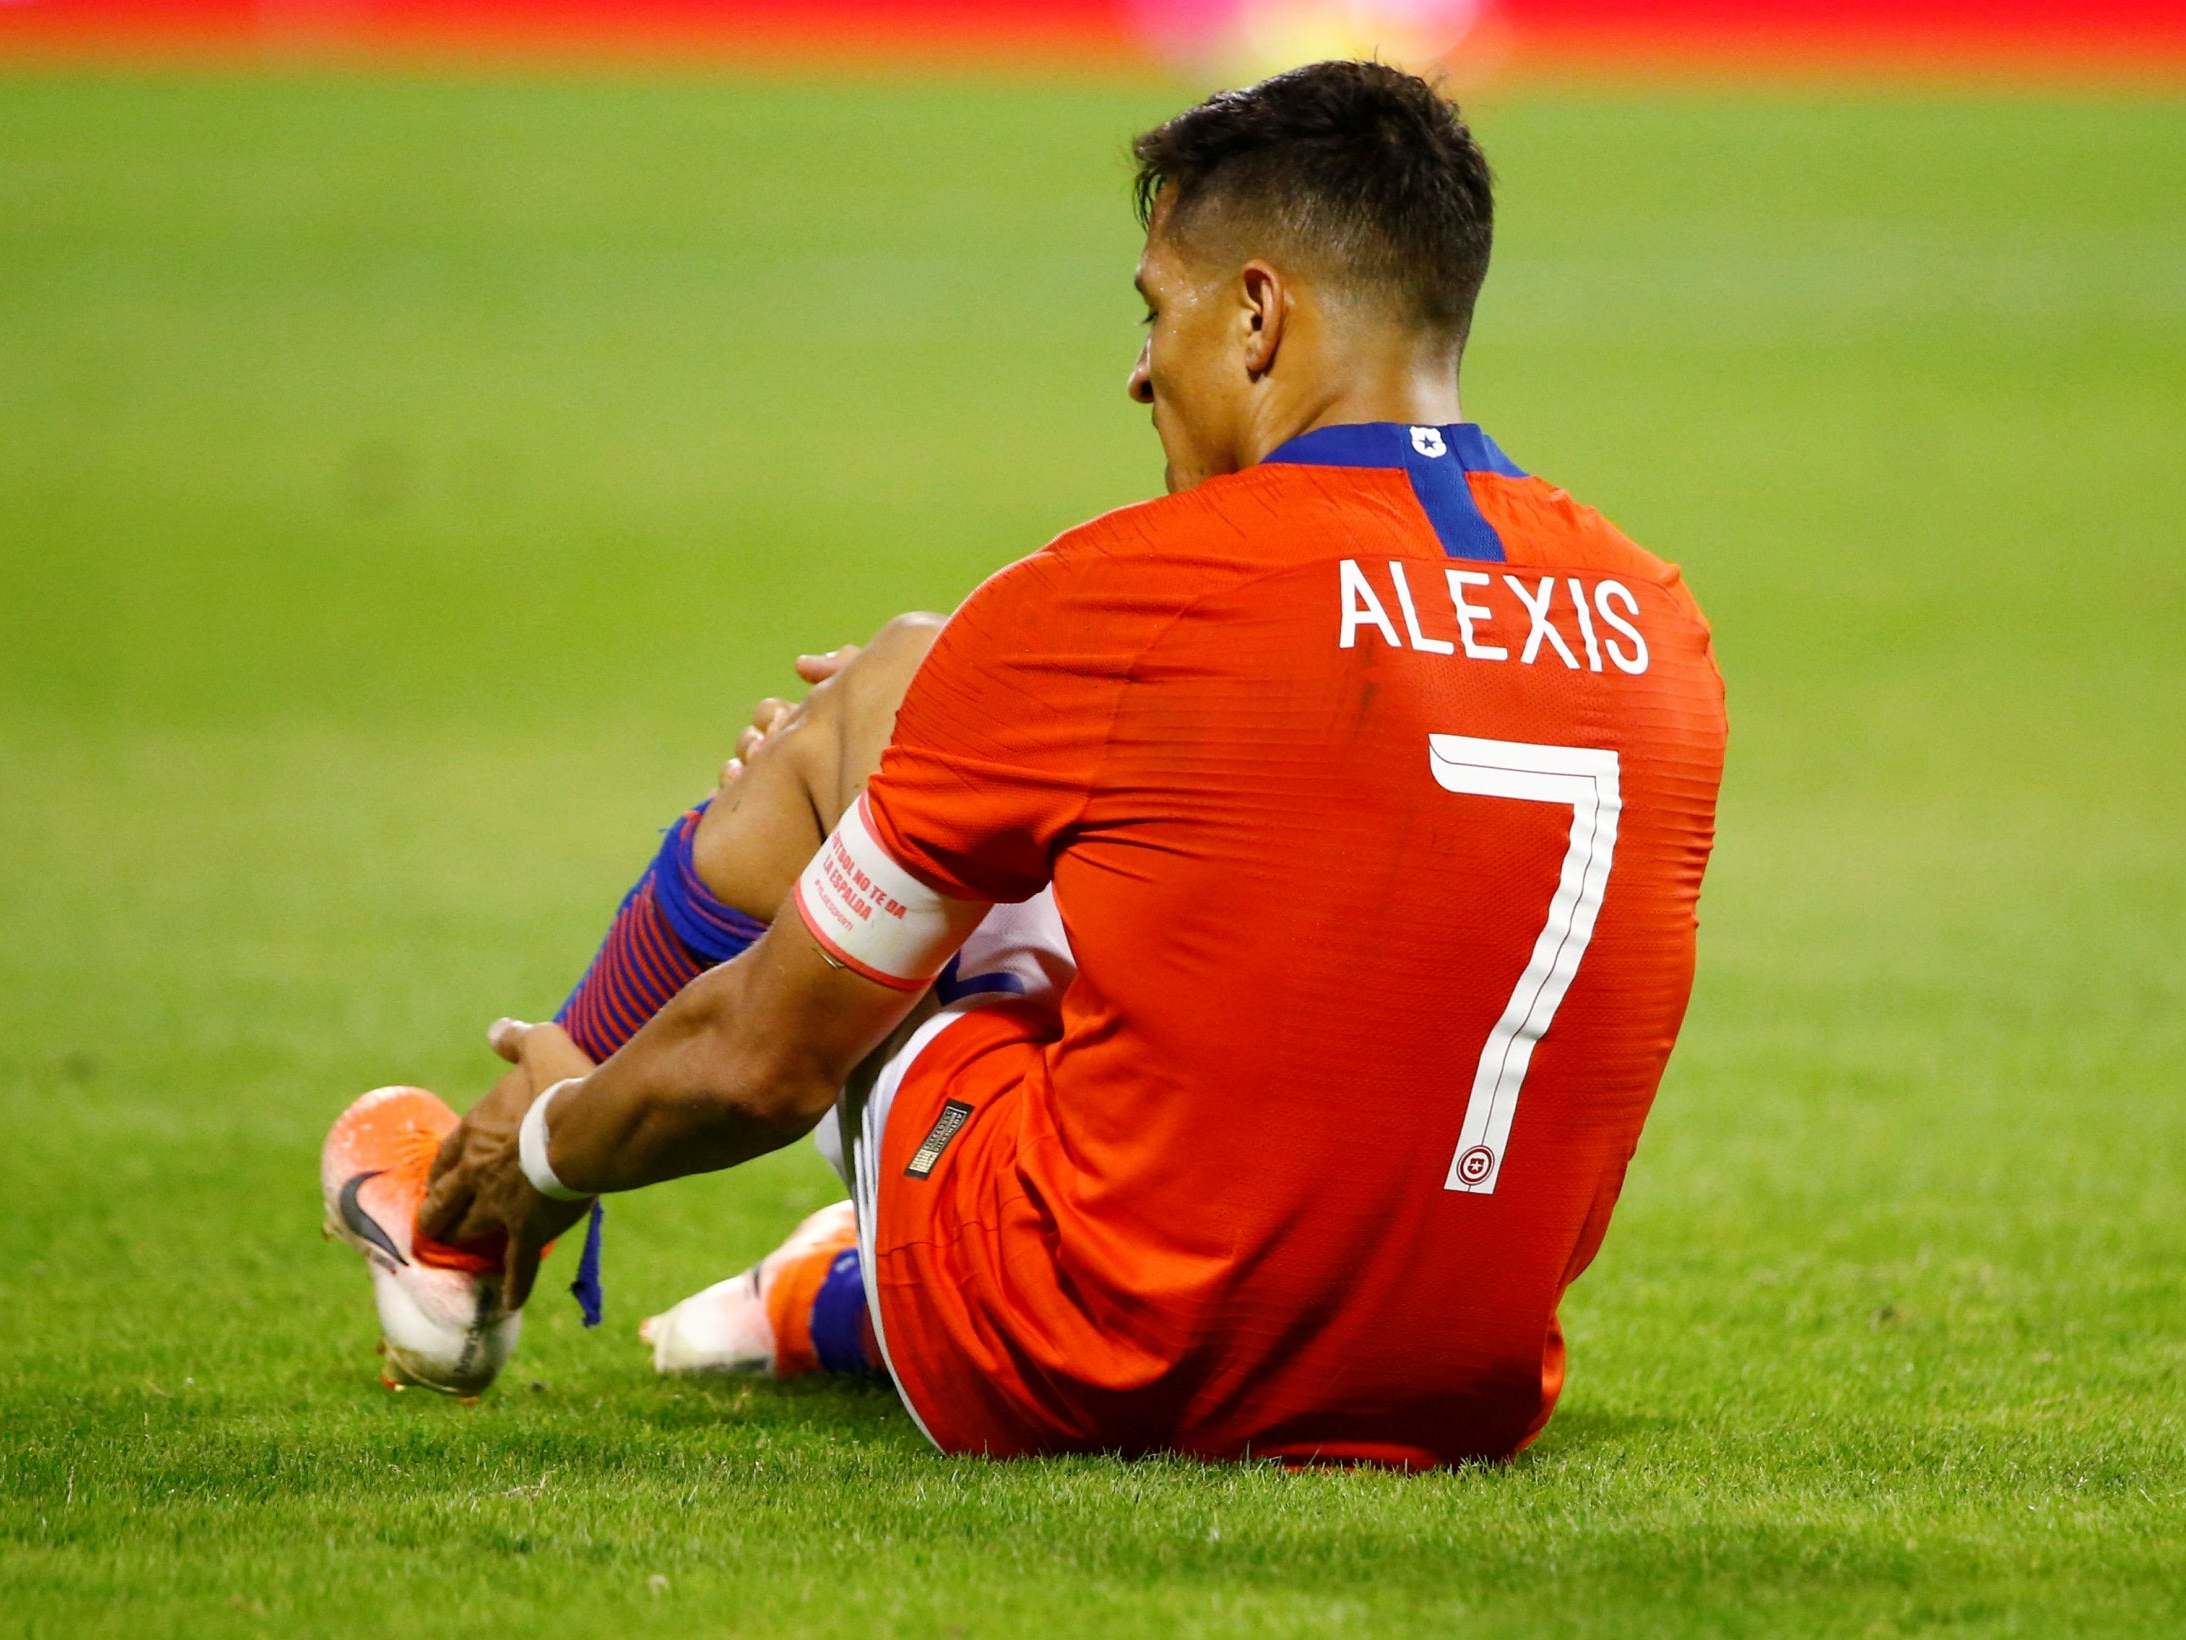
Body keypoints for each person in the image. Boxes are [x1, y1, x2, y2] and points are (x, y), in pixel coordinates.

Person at [341, 59, 1727, 1465]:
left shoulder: (1124, 602)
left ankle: (461, 1238)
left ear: (1256, 315)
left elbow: (761, 1063)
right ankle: (839, 1277)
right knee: (1070, 830)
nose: (1139, 370)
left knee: (894, 685)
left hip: (1091, 1364)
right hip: (1454, 1388)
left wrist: (537, 1153)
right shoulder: (1654, 619)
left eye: (1155, 309)